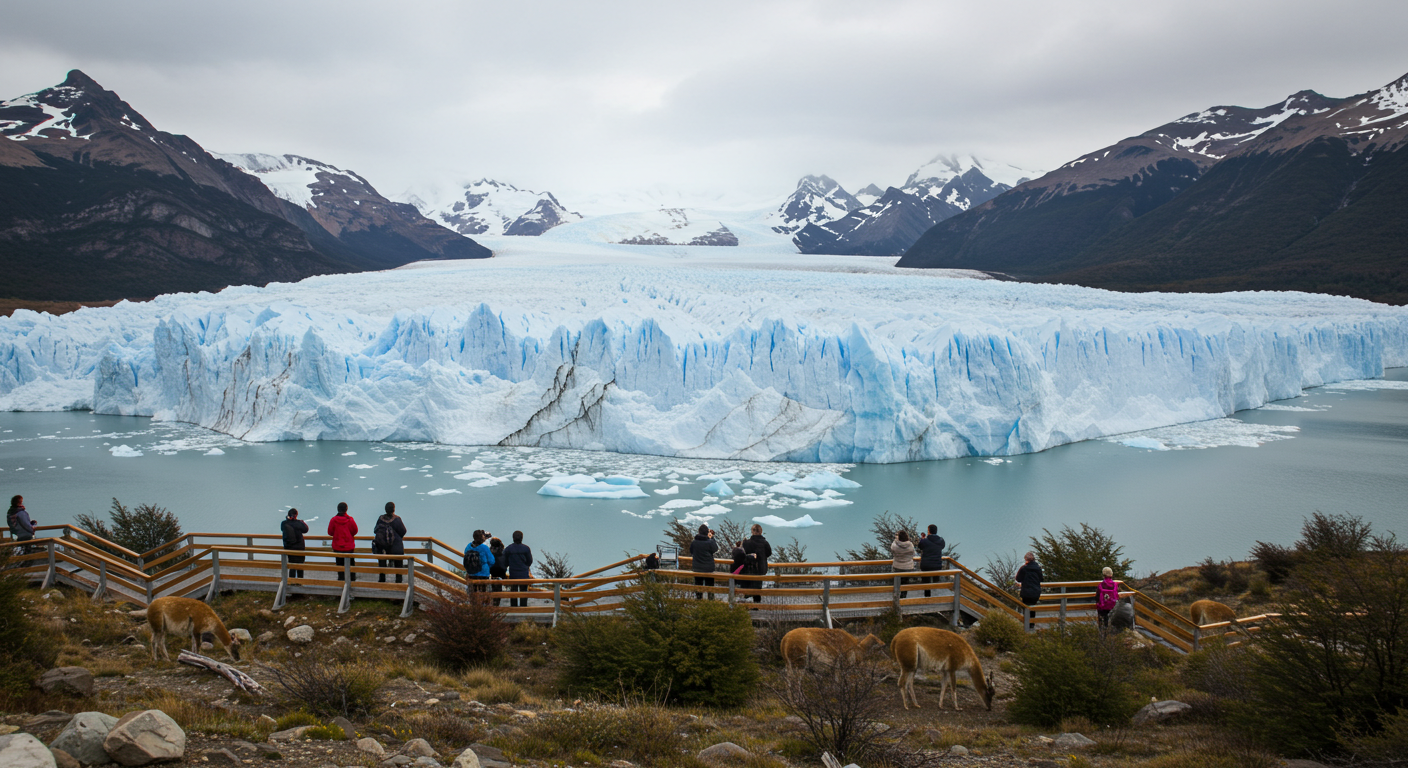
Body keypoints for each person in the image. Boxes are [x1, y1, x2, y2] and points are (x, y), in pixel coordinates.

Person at [372, 502, 407, 584]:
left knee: (382, 563)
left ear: (385, 509)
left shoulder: (381, 518)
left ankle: (382, 580)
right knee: (398, 564)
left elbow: (375, 530)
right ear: (393, 509)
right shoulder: (397, 519)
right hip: (395, 546)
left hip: (382, 547)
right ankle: (398, 581)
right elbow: (403, 531)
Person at [742, 524, 772, 603]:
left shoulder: (747, 543)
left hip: (750, 567)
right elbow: (769, 553)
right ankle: (757, 603)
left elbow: (744, 553)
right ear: (761, 532)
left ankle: (748, 600)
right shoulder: (765, 543)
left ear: (752, 531)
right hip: (761, 567)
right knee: (758, 585)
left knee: (750, 584)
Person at [328, 502, 358, 582]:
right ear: (346, 509)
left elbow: (330, 532)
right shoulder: (350, 520)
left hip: (337, 547)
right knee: (351, 565)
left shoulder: (333, 520)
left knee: (340, 565)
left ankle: (341, 581)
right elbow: (355, 531)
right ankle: (352, 581)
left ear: (338, 509)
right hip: (348, 547)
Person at [690, 524, 719, 600]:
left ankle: (699, 599)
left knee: (698, 584)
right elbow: (715, 549)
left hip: (697, 567)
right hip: (708, 568)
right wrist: (712, 538)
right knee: (710, 585)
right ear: (707, 532)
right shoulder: (709, 542)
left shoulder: (694, 542)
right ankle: (710, 600)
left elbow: (691, 551)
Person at [505, 531, 533, 607]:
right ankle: (523, 607)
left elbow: (505, 562)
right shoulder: (526, 549)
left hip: (513, 573)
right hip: (523, 573)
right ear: (522, 538)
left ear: (513, 538)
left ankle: (514, 607)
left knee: (513, 591)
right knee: (523, 592)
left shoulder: (508, 549)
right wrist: (525, 566)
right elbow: (529, 561)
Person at [1015, 551, 1044, 624]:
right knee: (1033, 607)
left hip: (1026, 592)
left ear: (1026, 559)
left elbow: (1018, 579)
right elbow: (1041, 579)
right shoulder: (1038, 568)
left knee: (1026, 608)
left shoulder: (1024, 568)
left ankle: (1026, 624)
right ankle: (1032, 624)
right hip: (1036, 592)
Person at [917, 524, 946, 597]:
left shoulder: (925, 541)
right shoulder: (941, 540)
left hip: (926, 565)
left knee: (926, 583)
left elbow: (920, 546)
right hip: (937, 565)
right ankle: (937, 597)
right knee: (936, 582)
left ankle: (927, 597)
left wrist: (923, 538)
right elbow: (942, 546)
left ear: (928, 531)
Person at [281, 508, 308, 579]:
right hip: (300, 547)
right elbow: (306, 529)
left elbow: (282, 528)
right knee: (300, 566)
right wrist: (302, 522)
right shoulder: (299, 523)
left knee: (292, 565)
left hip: (290, 547)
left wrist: (287, 518)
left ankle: (291, 581)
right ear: (296, 515)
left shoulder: (284, 523)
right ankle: (300, 582)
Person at [891, 530, 916, 599]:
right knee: (905, 583)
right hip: (908, 567)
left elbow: (892, 550)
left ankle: (896, 597)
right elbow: (913, 554)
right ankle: (903, 597)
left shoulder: (894, 545)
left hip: (897, 566)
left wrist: (895, 540)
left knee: (896, 583)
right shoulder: (910, 545)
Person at [488, 536, 507, 606]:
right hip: (501, 572)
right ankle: (497, 603)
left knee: (493, 588)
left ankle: (494, 604)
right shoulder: (503, 551)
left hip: (492, 571)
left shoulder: (490, 551)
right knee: (498, 589)